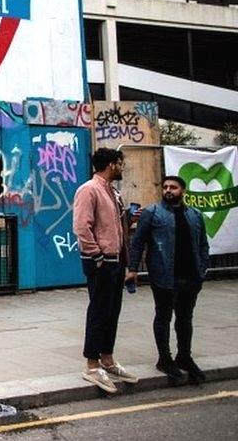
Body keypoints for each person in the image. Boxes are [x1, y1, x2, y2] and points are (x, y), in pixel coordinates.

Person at [128, 175, 210, 384]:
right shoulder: (152, 213)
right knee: (163, 317)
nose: (168, 190)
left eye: (173, 187)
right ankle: (164, 358)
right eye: (165, 187)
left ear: (183, 191)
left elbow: (202, 245)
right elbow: (137, 242)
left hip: (190, 277)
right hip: (164, 276)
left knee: (185, 318)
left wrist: (202, 270)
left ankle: (184, 356)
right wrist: (133, 269)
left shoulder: (194, 215)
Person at [72, 147, 138, 393]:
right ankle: (91, 364)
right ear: (111, 164)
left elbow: (112, 226)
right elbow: (81, 227)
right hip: (101, 261)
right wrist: (97, 256)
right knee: (99, 311)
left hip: (116, 261)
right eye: (120, 163)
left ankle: (107, 360)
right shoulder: (89, 190)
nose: (122, 167)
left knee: (112, 311)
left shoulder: (112, 191)